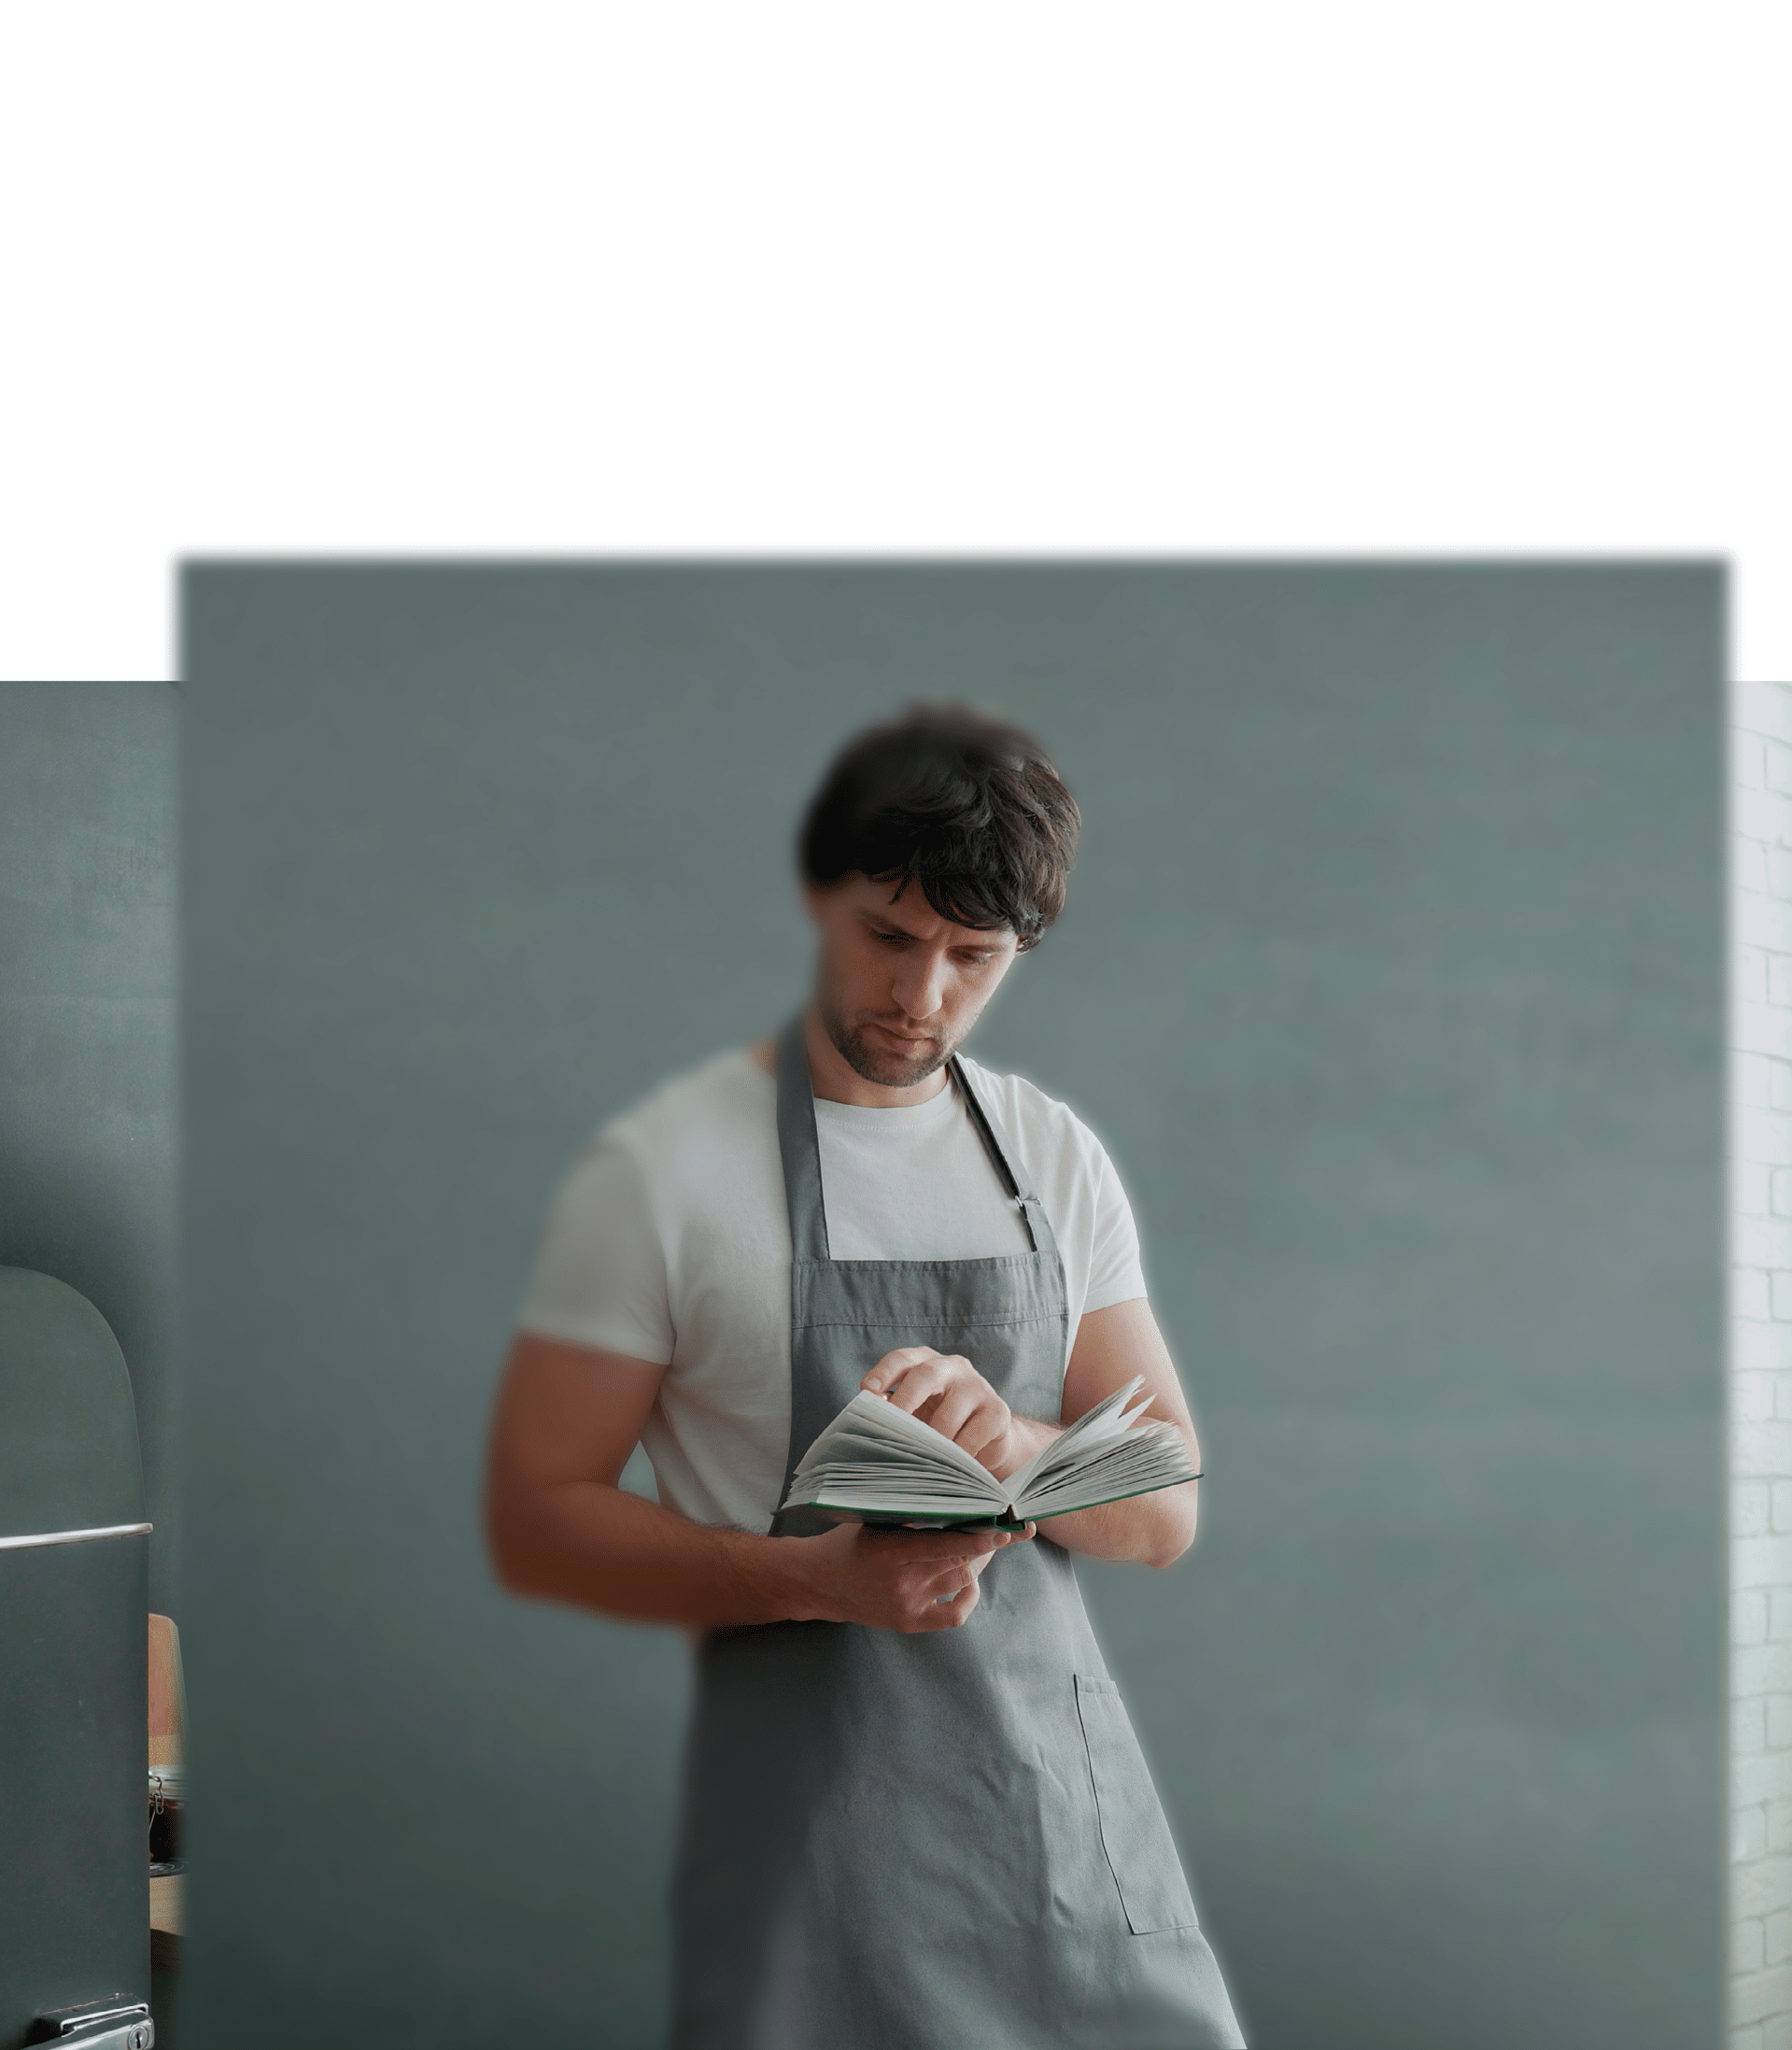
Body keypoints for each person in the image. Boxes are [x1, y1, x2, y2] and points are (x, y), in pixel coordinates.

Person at [485, 703, 1244, 2050]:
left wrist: (1017, 1447)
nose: (923, 996)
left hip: (1055, 1831)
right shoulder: (665, 1171)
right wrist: (813, 1580)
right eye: (890, 937)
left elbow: (1167, 1505)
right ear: (816, 891)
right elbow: (537, 1516)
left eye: (973, 958)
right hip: (810, 1858)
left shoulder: (1049, 1156)